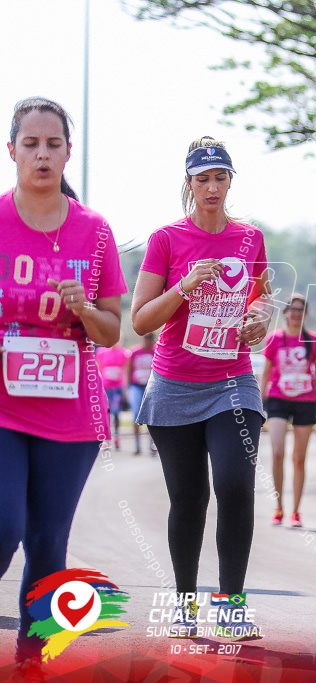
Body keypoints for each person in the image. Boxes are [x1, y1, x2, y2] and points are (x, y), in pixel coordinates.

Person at [0, 98, 126, 667]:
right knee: (4, 525)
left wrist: (84, 311)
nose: (42, 154)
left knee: (49, 546)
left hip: (70, 409)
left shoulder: (94, 231)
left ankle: (32, 660)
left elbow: (112, 331)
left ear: (68, 152)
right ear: (12, 151)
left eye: (54, 144)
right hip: (2, 404)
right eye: (31, 143)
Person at [131, 136, 271, 642]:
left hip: (233, 381)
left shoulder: (250, 238)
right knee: (188, 499)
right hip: (175, 384)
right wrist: (185, 286)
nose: (212, 187)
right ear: (188, 184)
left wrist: (258, 320)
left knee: (235, 484)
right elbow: (142, 320)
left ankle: (232, 604)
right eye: (202, 178)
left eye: (221, 177)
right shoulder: (166, 239)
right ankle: (184, 603)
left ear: (231, 181)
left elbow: (263, 300)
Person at [260, 294, 316, 528]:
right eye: (291, 309)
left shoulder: (313, 340)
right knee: (278, 452)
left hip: (305, 401)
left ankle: (296, 512)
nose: (295, 314)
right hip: (278, 399)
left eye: (300, 310)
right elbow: (267, 373)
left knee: (299, 459)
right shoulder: (274, 339)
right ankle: (278, 506)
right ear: (285, 313)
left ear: (305, 314)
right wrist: (259, 405)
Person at [127, 332, 158, 455]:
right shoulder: (135, 352)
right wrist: (127, 387)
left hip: (151, 386)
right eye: (145, 339)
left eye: (150, 340)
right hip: (136, 386)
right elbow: (129, 369)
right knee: (136, 414)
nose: (147, 342)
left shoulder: (156, 350)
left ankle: (152, 445)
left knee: (152, 415)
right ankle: (137, 446)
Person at [96, 342, 130, 450]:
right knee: (106, 414)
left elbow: (125, 370)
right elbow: (99, 369)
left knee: (115, 414)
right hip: (105, 388)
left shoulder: (124, 353)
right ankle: (106, 439)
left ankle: (116, 437)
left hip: (117, 388)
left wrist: (125, 390)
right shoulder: (101, 352)